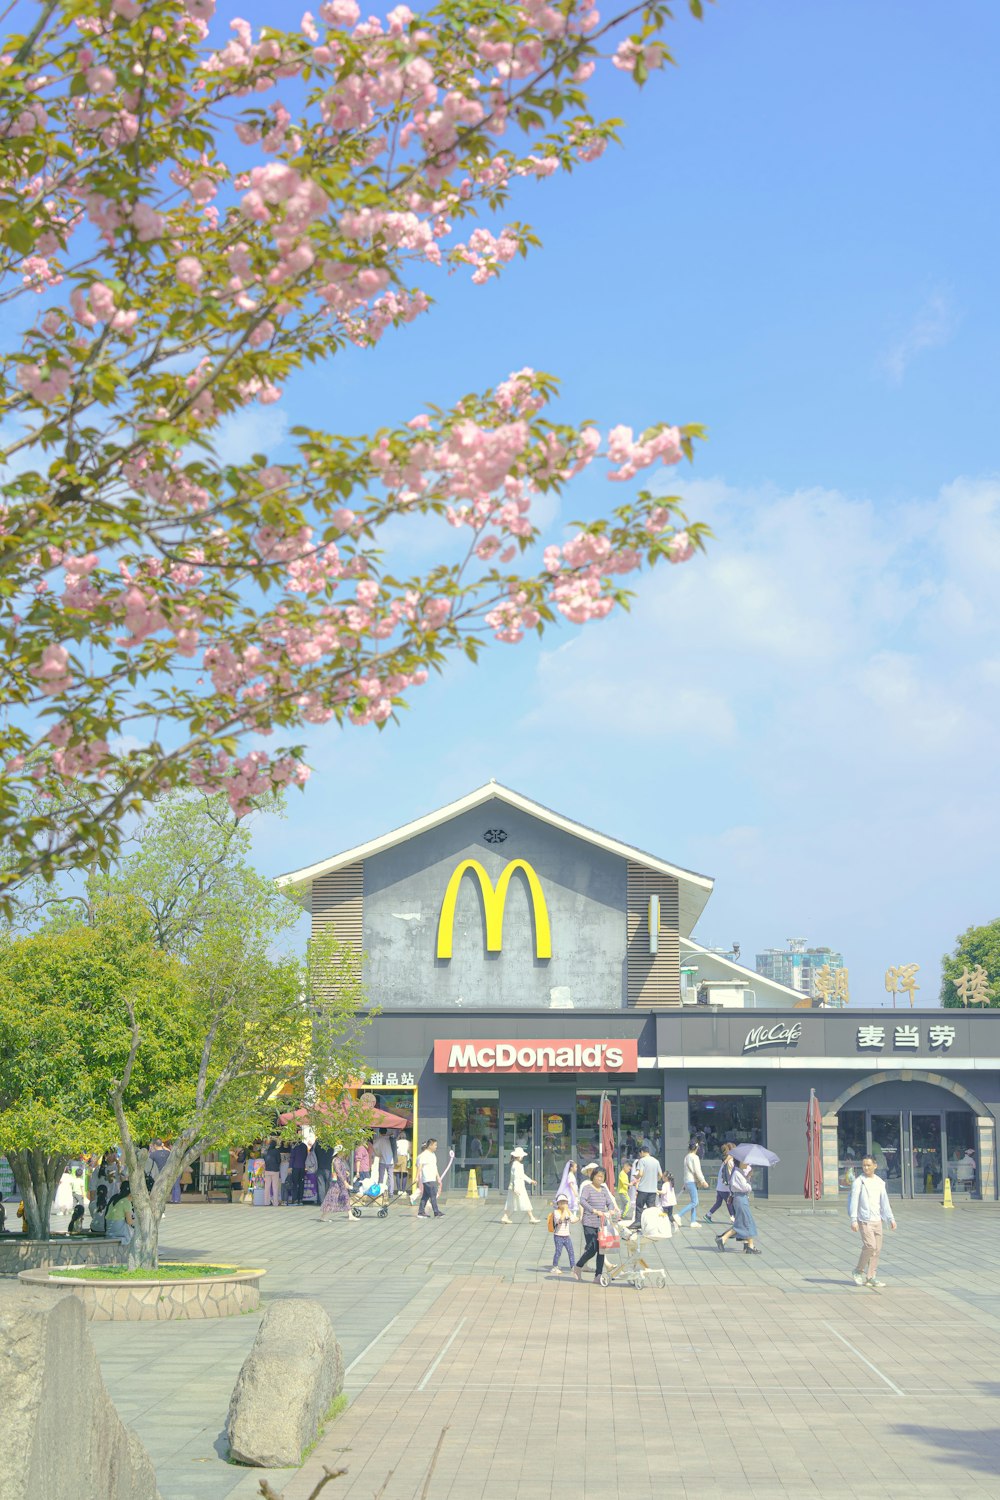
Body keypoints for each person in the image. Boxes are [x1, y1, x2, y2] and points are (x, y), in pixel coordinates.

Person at [848, 1154, 895, 1290]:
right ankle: (858, 1270)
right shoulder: (859, 1182)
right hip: (864, 1220)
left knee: (877, 1250)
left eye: (869, 1165)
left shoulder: (880, 1182)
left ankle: (871, 1277)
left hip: (877, 1220)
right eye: (864, 1165)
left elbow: (884, 1202)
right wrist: (853, 1219)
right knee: (870, 1246)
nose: (866, 1168)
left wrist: (890, 1218)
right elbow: (854, 1201)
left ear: (875, 1166)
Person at [576, 1167, 619, 1283]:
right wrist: (594, 1210)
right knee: (592, 1248)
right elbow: (582, 1201)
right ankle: (578, 1266)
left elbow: (610, 1202)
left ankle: (598, 1275)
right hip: (589, 1222)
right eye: (598, 1176)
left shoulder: (604, 1190)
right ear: (593, 1176)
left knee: (602, 1249)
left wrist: (610, 1210)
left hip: (602, 1223)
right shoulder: (587, 1188)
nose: (600, 1178)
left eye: (602, 1176)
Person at [716, 1163, 760, 1255]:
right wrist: (748, 1180)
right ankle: (748, 1246)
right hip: (740, 1199)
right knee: (746, 1222)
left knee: (744, 1222)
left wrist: (747, 1176)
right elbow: (746, 1188)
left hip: (741, 1198)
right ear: (740, 1162)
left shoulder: (739, 1172)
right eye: (745, 1162)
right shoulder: (737, 1173)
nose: (747, 1164)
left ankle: (749, 1245)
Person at [500, 1146, 539, 1225]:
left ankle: (505, 1216)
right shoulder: (517, 1165)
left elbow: (521, 1175)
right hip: (518, 1187)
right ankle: (531, 1217)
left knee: (511, 1202)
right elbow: (517, 1177)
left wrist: (530, 1181)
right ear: (519, 1156)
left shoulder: (515, 1164)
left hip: (514, 1187)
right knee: (525, 1201)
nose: (522, 1157)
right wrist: (516, 1188)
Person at [628, 1143, 662, 1231]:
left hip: (643, 1188)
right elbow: (660, 1175)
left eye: (640, 1153)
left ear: (642, 1152)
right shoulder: (656, 1161)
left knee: (639, 1206)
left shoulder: (642, 1160)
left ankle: (638, 1222)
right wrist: (655, 1180)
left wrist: (637, 1177)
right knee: (651, 1207)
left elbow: (641, 1173)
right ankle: (652, 1224)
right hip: (652, 1189)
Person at [676, 1140, 709, 1228]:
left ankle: (693, 1221)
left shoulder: (686, 1157)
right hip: (691, 1181)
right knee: (695, 1202)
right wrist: (703, 1181)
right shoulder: (695, 1157)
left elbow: (687, 1171)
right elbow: (697, 1170)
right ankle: (678, 1215)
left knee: (694, 1201)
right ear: (697, 1148)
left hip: (687, 1180)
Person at [705, 1143, 736, 1225]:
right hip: (725, 1187)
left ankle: (708, 1214)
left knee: (718, 1203)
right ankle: (733, 1218)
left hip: (720, 1187)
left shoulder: (725, 1161)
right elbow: (732, 1173)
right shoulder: (729, 1162)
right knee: (729, 1202)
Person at [548, 1191, 578, 1276]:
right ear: (558, 1204)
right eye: (562, 1202)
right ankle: (555, 1267)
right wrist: (565, 1210)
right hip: (558, 1236)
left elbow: (573, 1220)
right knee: (558, 1251)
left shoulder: (568, 1211)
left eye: (565, 1202)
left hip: (567, 1236)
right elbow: (560, 1221)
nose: (564, 1204)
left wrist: (580, 1217)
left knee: (571, 1251)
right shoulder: (556, 1212)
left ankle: (573, 1267)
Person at [414, 1137, 444, 1218]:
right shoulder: (424, 1155)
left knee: (425, 1196)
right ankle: (436, 1212)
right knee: (433, 1195)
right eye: (435, 1145)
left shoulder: (433, 1155)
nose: (436, 1147)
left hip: (432, 1178)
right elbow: (420, 1166)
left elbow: (435, 1166)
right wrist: (417, 1177)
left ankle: (420, 1212)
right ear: (430, 1145)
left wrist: (438, 1177)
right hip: (427, 1179)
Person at [319, 1147, 351, 1222]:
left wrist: (346, 1173)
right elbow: (338, 1172)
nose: (344, 1153)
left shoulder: (340, 1160)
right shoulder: (336, 1160)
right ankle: (323, 1216)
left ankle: (350, 1215)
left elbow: (340, 1170)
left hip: (340, 1183)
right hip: (336, 1184)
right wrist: (345, 1182)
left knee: (345, 1197)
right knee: (331, 1199)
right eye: (342, 1151)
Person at [105, 1182, 135, 1247]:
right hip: (118, 1230)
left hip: (109, 1229)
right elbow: (129, 1222)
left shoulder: (115, 1199)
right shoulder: (126, 1202)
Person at [375, 1128, 396, 1196]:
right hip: (391, 1161)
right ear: (386, 1132)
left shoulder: (379, 1139)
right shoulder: (390, 1139)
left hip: (382, 1161)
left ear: (380, 1132)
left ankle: (380, 1191)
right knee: (391, 1177)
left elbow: (374, 1147)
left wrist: (378, 1154)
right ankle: (391, 1192)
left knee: (381, 1177)